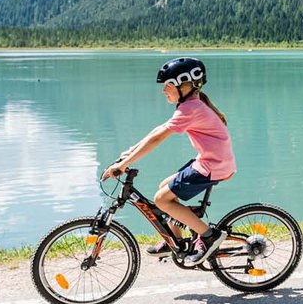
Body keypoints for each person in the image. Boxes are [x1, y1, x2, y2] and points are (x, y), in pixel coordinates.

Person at [101, 57, 235, 259]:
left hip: (213, 166)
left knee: (161, 199)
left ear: (186, 86)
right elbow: (158, 130)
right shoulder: (190, 105)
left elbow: (157, 138)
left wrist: (125, 164)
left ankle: (209, 235)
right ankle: (176, 240)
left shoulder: (191, 109)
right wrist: (129, 153)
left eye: (169, 85)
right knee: (165, 186)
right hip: (211, 162)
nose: (164, 90)